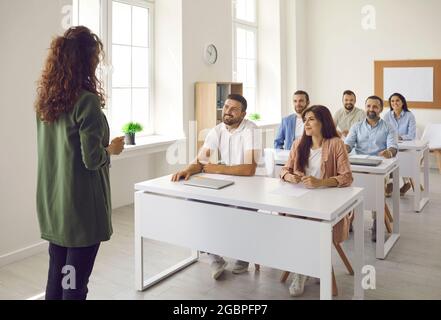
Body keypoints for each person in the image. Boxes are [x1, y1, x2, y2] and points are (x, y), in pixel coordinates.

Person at [35, 26, 125, 300]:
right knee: (74, 283)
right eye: (95, 56)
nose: (98, 61)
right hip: (80, 211)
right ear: (85, 60)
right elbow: (92, 158)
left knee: (59, 275)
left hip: (53, 204)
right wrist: (112, 149)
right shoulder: (86, 102)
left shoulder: (46, 102)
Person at [172, 94, 262, 279]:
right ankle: (215, 258)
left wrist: (217, 169)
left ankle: (244, 256)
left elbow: (248, 169)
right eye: (226, 107)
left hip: (251, 187)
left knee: (240, 216)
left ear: (243, 113)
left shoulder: (251, 130)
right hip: (228, 183)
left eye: (234, 109)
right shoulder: (217, 130)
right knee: (194, 206)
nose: (228, 111)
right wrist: (187, 169)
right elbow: (202, 160)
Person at [280, 105, 353, 297]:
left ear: (323, 122)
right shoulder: (298, 144)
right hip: (300, 200)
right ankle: (310, 265)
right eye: (305, 120)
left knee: (308, 226)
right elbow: (284, 170)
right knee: (291, 223)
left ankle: (302, 270)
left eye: (311, 119)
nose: (306, 123)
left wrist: (321, 182)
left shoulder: (336, 143)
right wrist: (290, 177)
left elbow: (347, 177)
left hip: (326, 204)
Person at [345, 96, 398, 242]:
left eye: (375, 107)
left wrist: (389, 152)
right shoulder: (356, 126)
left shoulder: (388, 127)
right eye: (368, 106)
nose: (371, 109)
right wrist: (343, 148)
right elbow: (348, 144)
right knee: (346, 185)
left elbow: (393, 146)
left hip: (379, 168)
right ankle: (347, 217)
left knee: (375, 190)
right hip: (358, 166)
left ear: (380, 109)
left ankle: (376, 223)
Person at [383, 93, 417, 196]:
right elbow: (383, 131)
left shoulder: (409, 115)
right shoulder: (387, 115)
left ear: (402, 102)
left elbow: (411, 135)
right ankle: (401, 182)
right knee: (388, 155)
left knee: (397, 156)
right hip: (391, 145)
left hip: (406, 147)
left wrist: (400, 137)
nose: (395, 103)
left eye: (397, 100)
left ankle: (391, 183)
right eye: (392, 101)